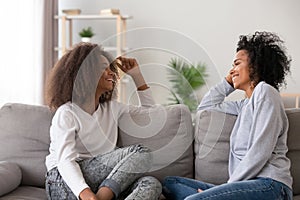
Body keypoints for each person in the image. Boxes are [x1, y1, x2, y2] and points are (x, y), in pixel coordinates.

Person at [162, 31, 293, 199]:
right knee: (170, 183)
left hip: (271, 185)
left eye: (237, 64)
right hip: (245, 185)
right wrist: (227, 83)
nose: (232, 70)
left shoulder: (266, 92)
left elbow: (260, 151)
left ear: (255, 65)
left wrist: (227, 188)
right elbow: (206, 107)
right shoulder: (244, 105)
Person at [45, 42, 162, 200]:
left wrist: (136, 75)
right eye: (103, 68)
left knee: (151, 183)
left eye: (110, 69)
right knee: (141, 152)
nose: (112, 74)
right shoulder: (67, 113)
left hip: (101, 180)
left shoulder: (112, 108)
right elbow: (65, 161)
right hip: (63, 179)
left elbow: (150, 113)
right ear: (85, 73)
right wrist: (86, 195)